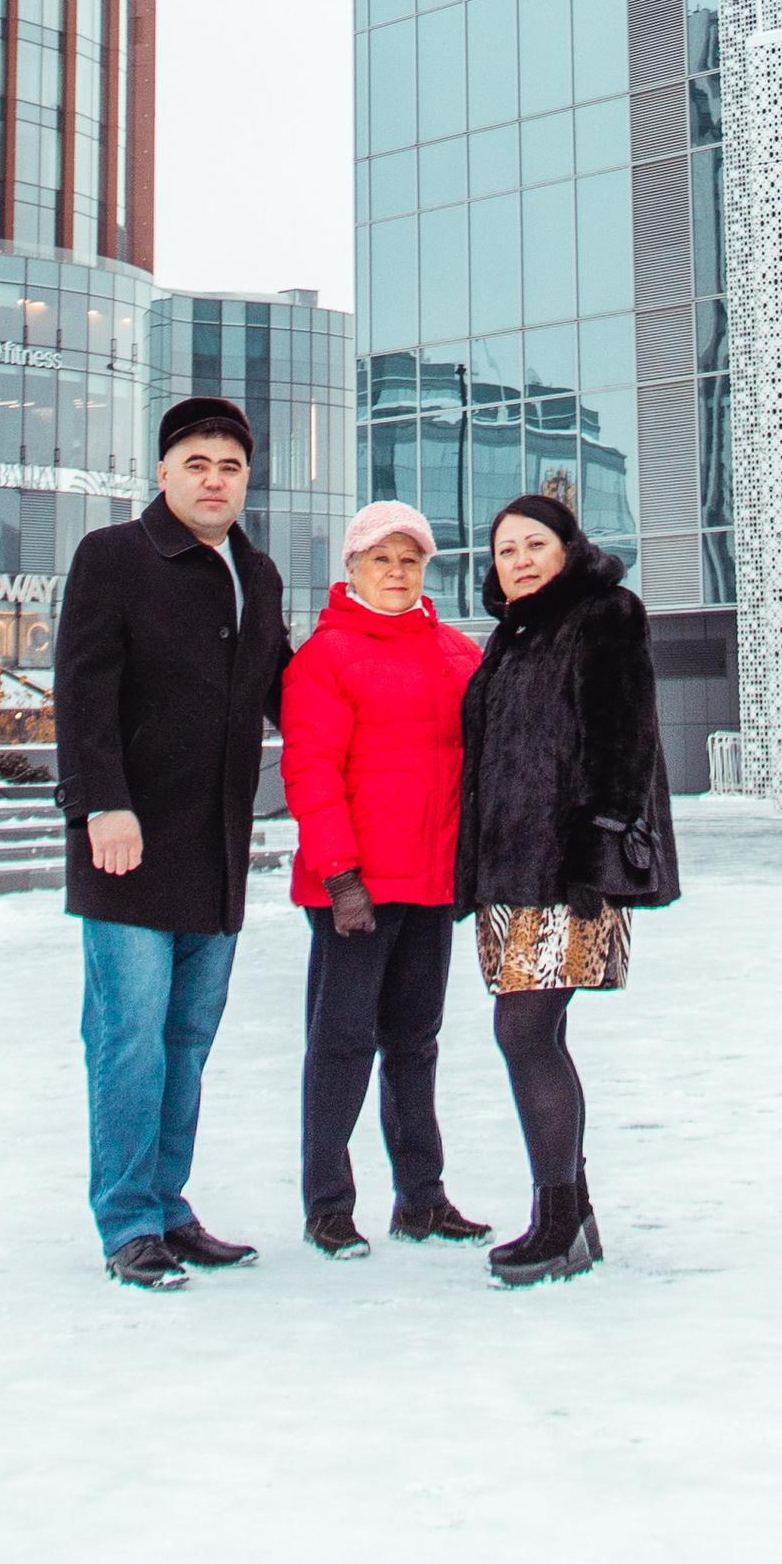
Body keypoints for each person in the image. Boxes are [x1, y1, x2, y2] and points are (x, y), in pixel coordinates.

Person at [53, 397, 292, 1290]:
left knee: (187, 1038)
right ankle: (127, 1222)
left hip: (218, 852)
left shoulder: (257, 574)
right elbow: (80, 692)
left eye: (229, 467)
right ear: (162, 474)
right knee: (129, 1039)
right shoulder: (112, 557)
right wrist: (99, 805)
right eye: (196, 464)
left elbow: (289, 691)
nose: (214, 480)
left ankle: (168, 1204)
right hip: (128, 845)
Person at [454, 490, 680, 1288]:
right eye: (503, 549)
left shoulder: (605, 614)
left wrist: (597, 853)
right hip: (509, 877)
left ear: (566, 549)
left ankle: (557, 1221)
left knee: (524, 1032)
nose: (517, 559)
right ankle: (571, 1217)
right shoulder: (508, 642)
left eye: (532, 545)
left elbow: (627, 741)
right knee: (529, 1035)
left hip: (572, 876)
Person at [279, 499, 489, 1260]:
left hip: (431, 886)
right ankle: (328, 1205)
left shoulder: (458, 653)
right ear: (353, 568)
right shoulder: (325, 657)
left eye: (410, 560)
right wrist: (340, 877)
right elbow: (310, 771)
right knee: (340, 1046)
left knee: (416, 1046)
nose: (396, 572)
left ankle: (422, 1201)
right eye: (381, 559)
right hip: (355, 892)